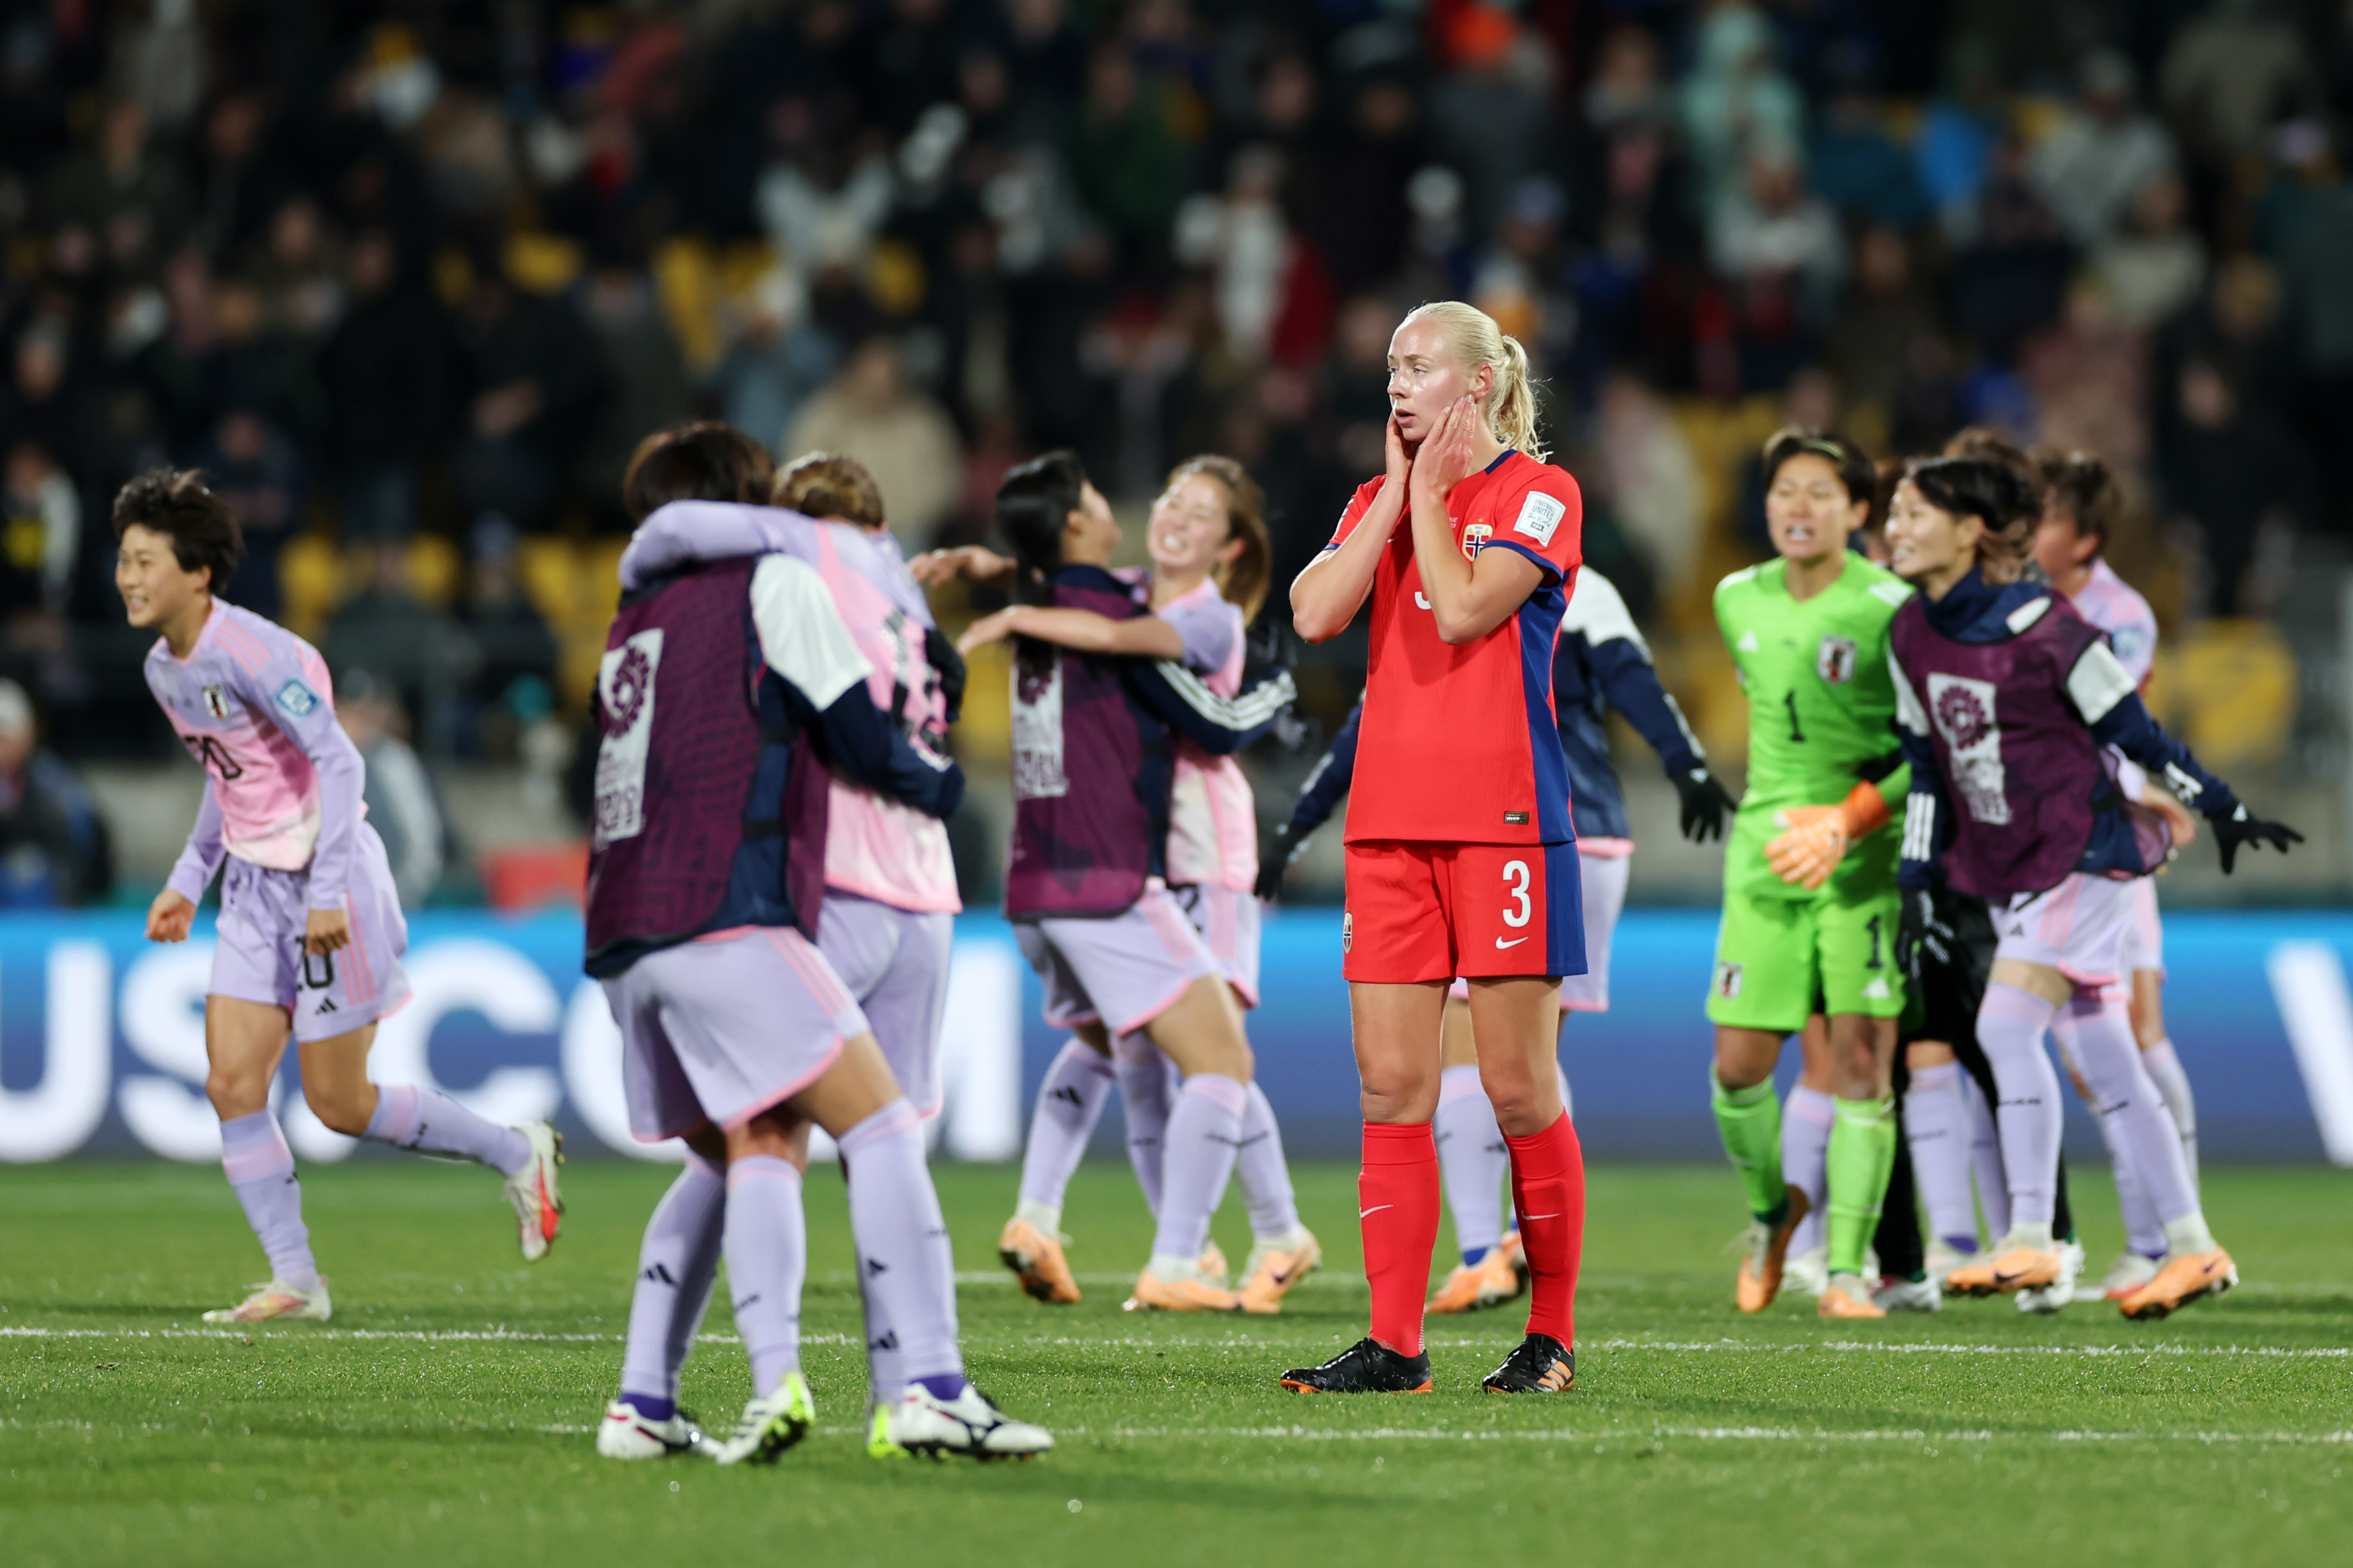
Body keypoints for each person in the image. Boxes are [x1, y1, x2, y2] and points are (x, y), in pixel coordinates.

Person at [582, 426, 1050, 1464]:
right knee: (868, 1131)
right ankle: (913, 1384)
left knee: (745, 1149)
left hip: (636, 913)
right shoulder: (807, 583)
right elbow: (861, 728)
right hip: (774, 900)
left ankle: (646, 1397)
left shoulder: (630, 617)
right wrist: (939, 787)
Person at [119, 470, 562, 1327]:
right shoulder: (161, 669)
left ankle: (518, 1151)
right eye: (124, 561)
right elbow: (229, 775)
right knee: (231, 1080)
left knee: (339, 1103)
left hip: (332, 879)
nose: (130, 578)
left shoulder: (256, 651)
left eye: (145, 560)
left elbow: (343, 762)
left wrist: (325, 893)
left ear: (198, 571)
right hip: (253, 888)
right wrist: (187, 878)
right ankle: (297, 1279)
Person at [1884, 455, 2299, 1320]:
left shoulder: (2049, 626)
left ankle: (2030, 1233)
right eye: (1892, 509)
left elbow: (2134, 731)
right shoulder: (1908, 636)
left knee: (2003, 1022)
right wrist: (1915, 879)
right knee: (2105, 1056)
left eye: (1912, 510)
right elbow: (1925, 767)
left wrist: (2221, 807)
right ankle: (2190, 1245)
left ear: (1968, 529)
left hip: (2082, 849)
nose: (1893, 525)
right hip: (2009, 866)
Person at [1259, 565, 1734, 1313]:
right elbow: (1636, 681)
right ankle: (1517, 1241)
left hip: (1507, 835)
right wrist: (1688, 767)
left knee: (1464, 1052)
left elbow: (1369, 720)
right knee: (1529, 1063)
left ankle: (1484, 1249)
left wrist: (1299, 820)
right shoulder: (1583, 587)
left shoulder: (1444, 584)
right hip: (1590, 836)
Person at [1283, 300, 1587, 1395]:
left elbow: (1461, 612)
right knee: (1391, 1086)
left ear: (1474, 382)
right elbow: (1314, 611)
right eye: (1387, 370)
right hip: (1387, 827)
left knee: (1514, 1087)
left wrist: (1422, 493)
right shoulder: (1374, 499)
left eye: (1415, 369)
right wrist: (1396, 499)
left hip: (1502, 822)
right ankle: (1394, 1342)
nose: (1394, 386)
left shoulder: (1541, 496)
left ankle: (1547, 1335)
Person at [937, 455, 1320, 1315]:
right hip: (1143, 858)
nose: (1176, 513)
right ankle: (1206, 1238)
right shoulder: (1131, 587)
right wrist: (982, 565)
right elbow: (1074, 582)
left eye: (1201, 509)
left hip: (1205, 855)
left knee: (1207, 1055)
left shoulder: (1207, 617)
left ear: (1229, 546)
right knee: (1147, 1057)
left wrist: (1010, 610)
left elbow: (1109, 632)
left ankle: (1261, 1230)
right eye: (1171, 496)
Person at [1706, 428, 1913, 1322]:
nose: (1798, 506)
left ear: (1858, 511)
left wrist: (1845, 819)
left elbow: (1926, 749)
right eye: (1784, 489)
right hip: (1764, 858)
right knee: (1738, 1070)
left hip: (1860, 859)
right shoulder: (1733, 598)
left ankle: (1846, 1270)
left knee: (1864, 1061)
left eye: (1820, 492)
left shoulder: (1894, 607)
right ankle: (1768, 1217)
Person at [2028, 449, 2202, 1303]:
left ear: (2085, 537)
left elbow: (2101, 718)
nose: (2029, 528)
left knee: (2128, 1033)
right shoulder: (2028, 604)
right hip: (2054, 841)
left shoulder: (2118, 614)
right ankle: (2164, 1232)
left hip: (2110, 840)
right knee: (2094, 1044)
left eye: (2047, 515)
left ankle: (2166, 1232)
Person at [0, 678, 111, 906]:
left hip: (43, 883)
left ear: (25, 735)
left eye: (4, 736)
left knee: (25, 868)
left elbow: (83, 837)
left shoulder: (53, 781)